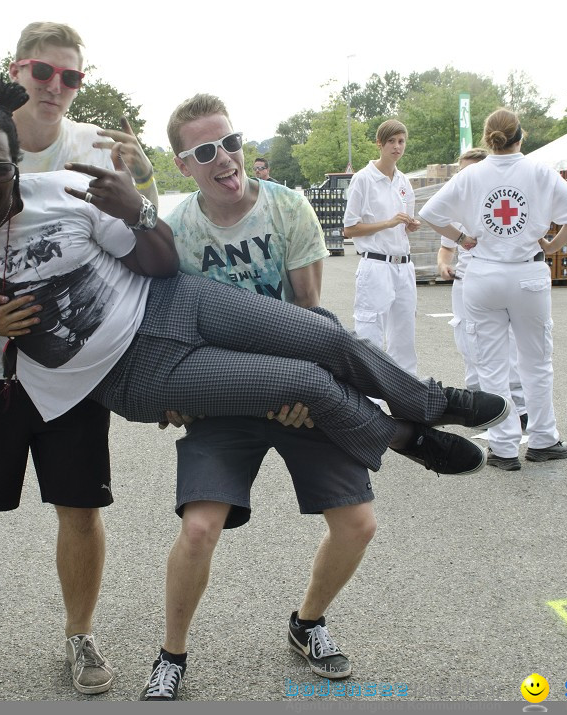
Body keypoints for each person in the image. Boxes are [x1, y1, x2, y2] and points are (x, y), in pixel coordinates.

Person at [132, 95, 488, 701]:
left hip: (300, 386)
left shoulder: (288, 206)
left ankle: (308, 622)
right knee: (198, 528)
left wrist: (299, 391)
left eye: (232, 141)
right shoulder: (179, 232)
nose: (226, 159)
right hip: (224, 397)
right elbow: (178, 325)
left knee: (358, 524)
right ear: (183, 165)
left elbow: (305, 312)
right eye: (206, 151)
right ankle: (172, 654)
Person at [0, 20, 165, 694]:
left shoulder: (95, 148)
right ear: (16, 71)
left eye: (71, 76)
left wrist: (147, 179)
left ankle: (81, 636)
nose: (56, 87)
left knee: (80, 503)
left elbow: (132, 243)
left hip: (70, 365)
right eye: (43, 72)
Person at [420, 108, 567, 471]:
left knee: (491, 367)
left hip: (482, 275)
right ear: (520, 136)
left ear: (487, 137)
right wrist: (554, 244)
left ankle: (504, 448)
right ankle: (544, 438)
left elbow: (431, 213)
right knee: (536, 362)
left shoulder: (472, 175)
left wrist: (463, 238)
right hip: (527, 274)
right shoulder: (539, 172)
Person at [436, 148, 528, 451]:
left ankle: (518, 410)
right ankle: (481, 408)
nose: (466, 177)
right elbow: (446, 248)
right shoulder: (458, 209)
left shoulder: (497, 205)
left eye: (471, 170)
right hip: (464, 285)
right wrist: (443, 264)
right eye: (462, 171)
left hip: (490, 283)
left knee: (504, 348)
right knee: (468, 344)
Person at [343, 119, 421, 376]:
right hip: (376, 264)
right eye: (391, 142)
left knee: (404, 335)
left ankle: (407, 397)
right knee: (371, 333)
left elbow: (403, 223)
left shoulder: (403, 182)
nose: (397, 147)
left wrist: (409, 225)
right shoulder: (363, 179)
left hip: (403, 265)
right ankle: (371, 401)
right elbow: (350, 228)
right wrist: (388, 223)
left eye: (401, 142)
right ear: (380, 144)